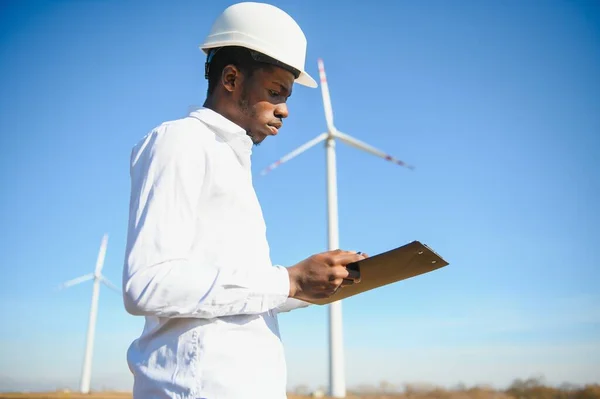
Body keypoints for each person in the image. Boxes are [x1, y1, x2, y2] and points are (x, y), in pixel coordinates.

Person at [122, 2, 366, 398]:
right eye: (275, 92)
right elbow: (148, 284)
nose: (285, 110)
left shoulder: (230, 164)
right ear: (231, 78)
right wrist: (288, 279)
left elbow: (231, 297)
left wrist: (304, 288)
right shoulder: (181, 141)